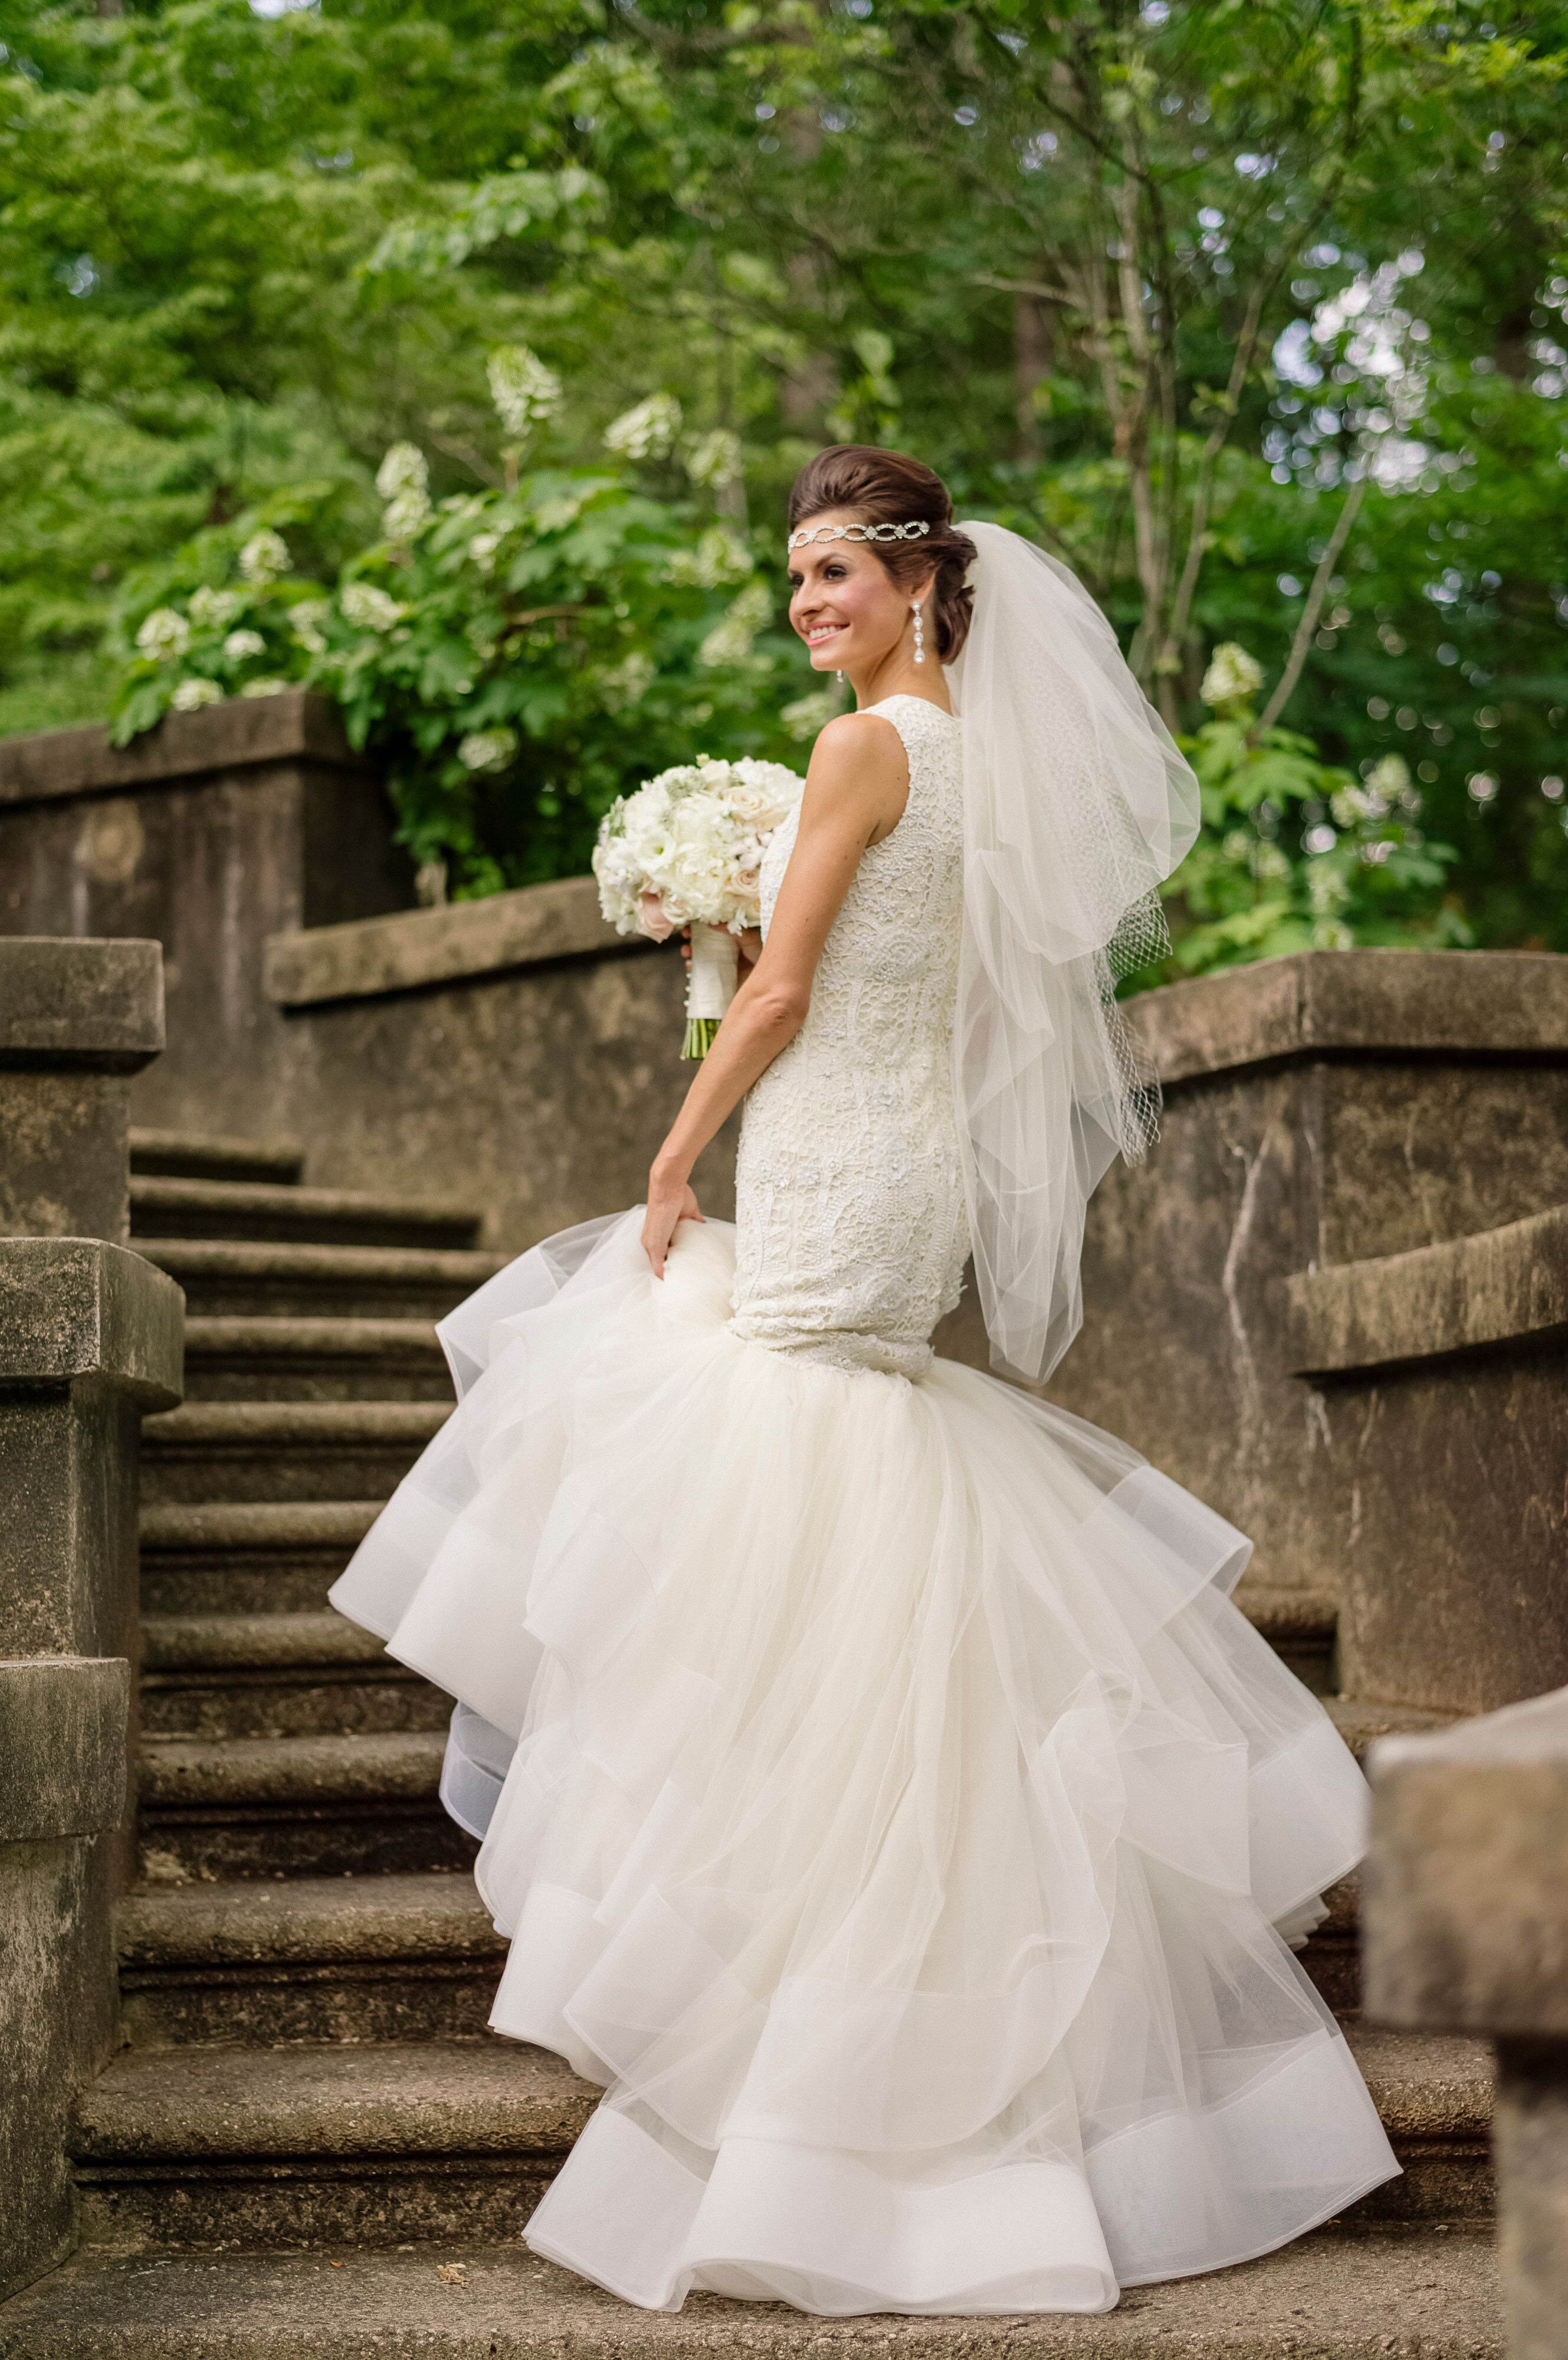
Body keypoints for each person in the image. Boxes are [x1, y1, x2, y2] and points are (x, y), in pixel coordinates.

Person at [329, 445, 1399, 2317]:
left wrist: (672, 1155)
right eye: (797, 579)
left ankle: (790, 2004)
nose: (808, 605)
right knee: (843, 1498)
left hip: (829, 1158)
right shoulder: (995, 771)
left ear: (921, 584)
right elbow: (975, 1002)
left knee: (721, 1441)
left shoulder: (860, 754)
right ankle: (872, 1965)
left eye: (835, 574)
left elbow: (781, 995)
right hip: (908, 1174)